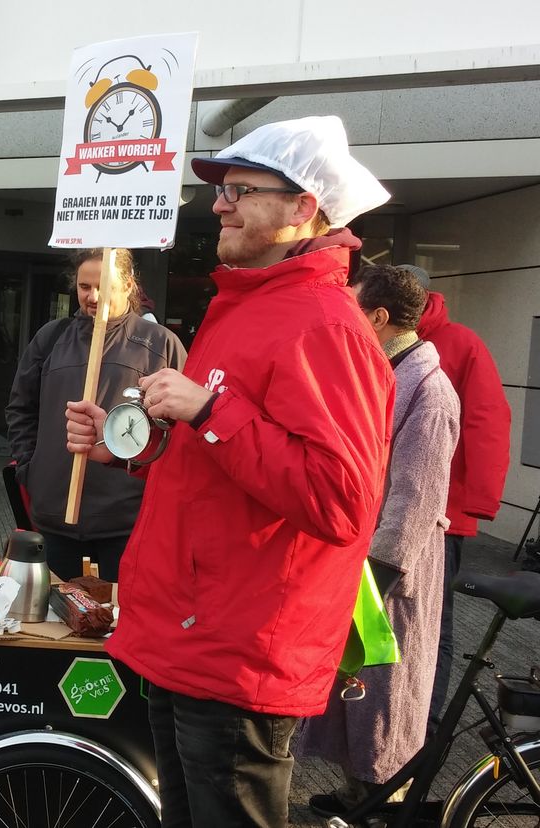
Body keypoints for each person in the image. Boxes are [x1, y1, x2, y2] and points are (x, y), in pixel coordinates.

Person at [63, 115, 394, 827]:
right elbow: (217, 470)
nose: (218, 203)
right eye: (220, 189)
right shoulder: (249, 303)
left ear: (305, 207)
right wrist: (132, 446)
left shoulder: (324, 324)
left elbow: (341, 502)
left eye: (241, 189)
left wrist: (210, 409)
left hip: (238, 651)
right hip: (190, 635)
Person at [300, 264, 460, 815]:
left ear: (380, 317)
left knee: (385, 686)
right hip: (359, 555)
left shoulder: (431, 392)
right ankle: (357, 788)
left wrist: (381, 571)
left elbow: (417, 496)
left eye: (354, 308)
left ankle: (384, 796)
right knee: (354, 686)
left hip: (392, 564)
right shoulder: (382, 374)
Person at [6, 248, 186, 582]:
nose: (93, 296)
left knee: (120, 622)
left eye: (104, 285)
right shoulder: (51, 338)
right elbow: (21, 408)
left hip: (126, 519)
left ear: (129, 284)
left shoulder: (161, 344)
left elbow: (181, 430)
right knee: (55, 621)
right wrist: (31, 469)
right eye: (84, 286)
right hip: (55, 516)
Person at [400, 264, 513, 730]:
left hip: (441, 511)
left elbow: (488, 420)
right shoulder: (384, 338)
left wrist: (475, 503)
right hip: (389, 507)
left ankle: (421, 733)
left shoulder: (459, 343)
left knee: (431, 627)